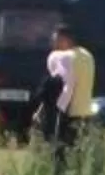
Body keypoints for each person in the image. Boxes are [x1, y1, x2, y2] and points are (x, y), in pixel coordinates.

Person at [40, 24, 94, 162]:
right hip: (86, 113)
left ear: (65, 40)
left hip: (69, 115)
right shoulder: (87, 56)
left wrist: (56, 114)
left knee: (62, 158)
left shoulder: (64, 58)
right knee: (81, 158)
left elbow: (65, 87)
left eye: (56, 40)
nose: (53, 44)